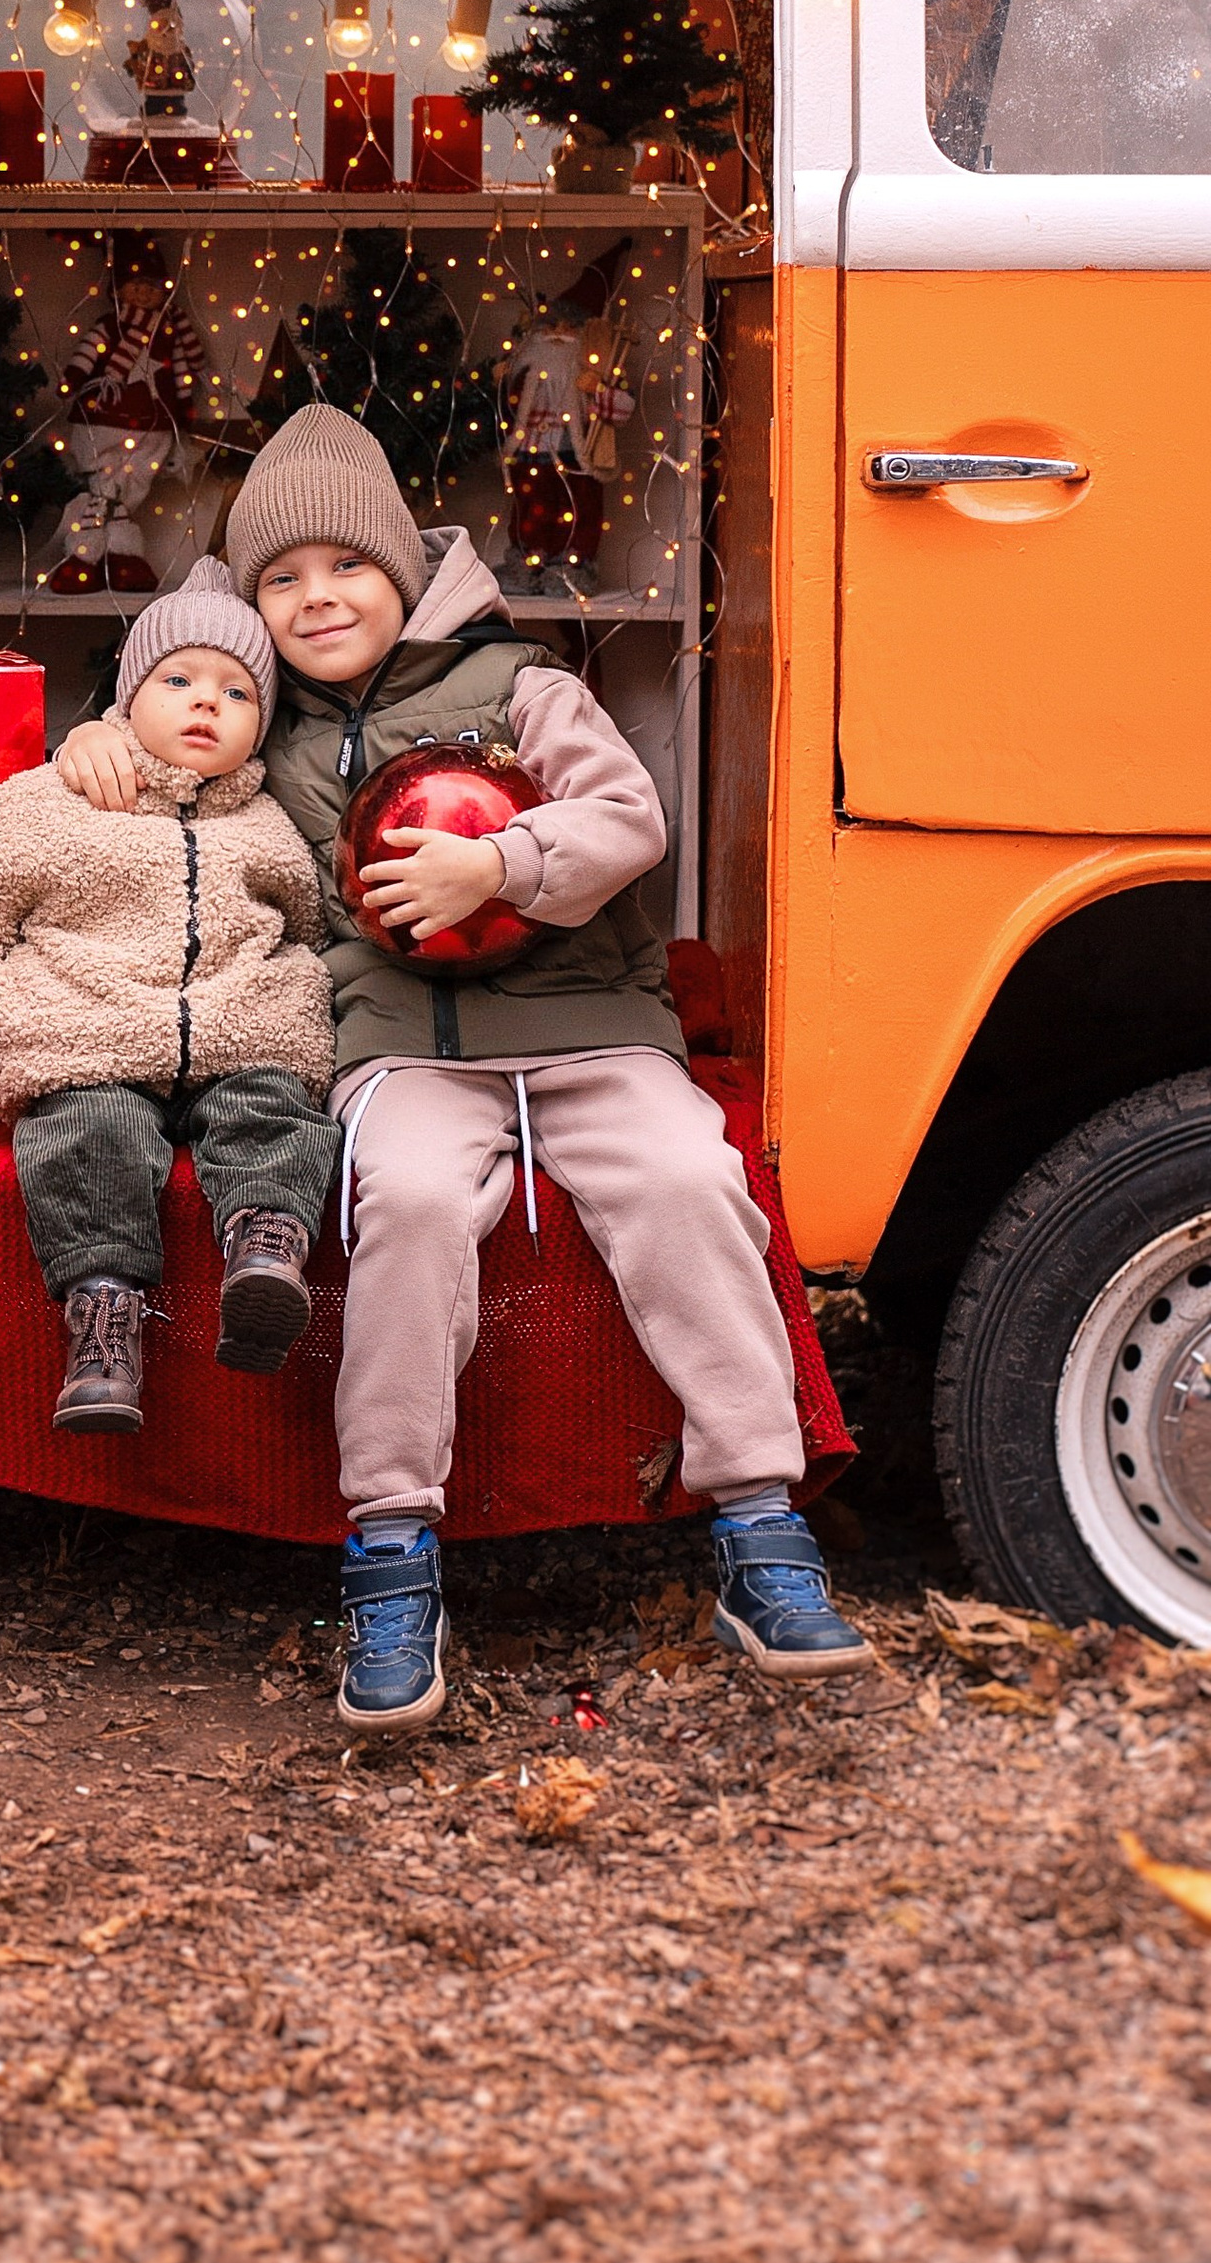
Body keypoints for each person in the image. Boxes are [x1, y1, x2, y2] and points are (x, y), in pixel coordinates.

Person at [53, 401, 870, 1730]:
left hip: (587, 1024)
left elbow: (629, 818)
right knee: (410, 1204)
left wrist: (498, 864)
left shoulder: (520, 686)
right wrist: (94, 737)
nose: (319, 597)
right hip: (401, 1050)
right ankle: (390, 1546)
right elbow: (167, 732)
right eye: (282, 578)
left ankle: (758, 1521)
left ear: (405, 572)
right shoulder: (260, 718)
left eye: (347, 565)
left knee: (687, 1180)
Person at [0, 557, 341, 1437]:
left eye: (237, 693)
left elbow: (311, 927)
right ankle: (103, 1314)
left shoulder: (272, 824)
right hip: (89, 1035)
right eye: (178, 681)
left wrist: (295, 1000)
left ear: (263, 725)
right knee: (86, 1135)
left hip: (239, 1031)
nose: (206, 703)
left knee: (274, 1108)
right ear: (128, 696)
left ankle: (266, 1245)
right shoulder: (53, 801)